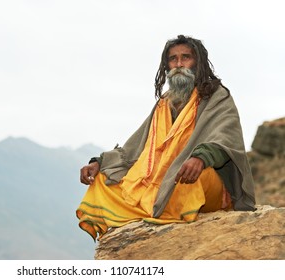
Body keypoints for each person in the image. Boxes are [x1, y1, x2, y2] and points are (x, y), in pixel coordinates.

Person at [76, 35, 256, 241]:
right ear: (167, 65)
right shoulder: (164, 104)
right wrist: (99, 162)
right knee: (102, 181)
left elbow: (226, 138)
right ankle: (155, 208)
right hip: (163, 181)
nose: (179, 64)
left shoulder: (217, 96)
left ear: (198, 62)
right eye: (173, 59)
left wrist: (201, 158)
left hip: (201, 178)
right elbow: (134, 149)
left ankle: (152, 208)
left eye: (186, 57)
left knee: (188, 182)